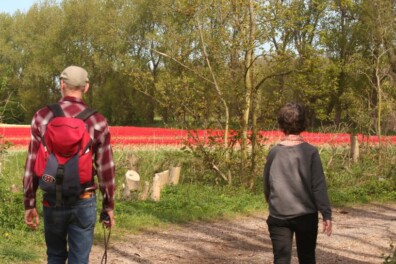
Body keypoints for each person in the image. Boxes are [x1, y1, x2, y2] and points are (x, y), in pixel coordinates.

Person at [23, 65, 116, 263]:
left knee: (55, 256)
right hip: (84, 200)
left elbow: (32, 162)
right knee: (80, 259)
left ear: (62, 85)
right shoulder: (97, 121)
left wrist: (29, 202)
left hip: (52, 199)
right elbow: (105, 167)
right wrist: (108, 205)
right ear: (86, 87)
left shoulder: (42, 116)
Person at [263, 103, 332, 264]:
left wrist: (272, 202)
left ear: (281, 124)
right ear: (303, 123)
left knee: (281, 259)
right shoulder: (311, 152)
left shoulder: (274, 152)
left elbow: (267, 184)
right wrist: (326, 213)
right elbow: (318, 186)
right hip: (306, 216)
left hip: (278, 215)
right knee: (307, 258)